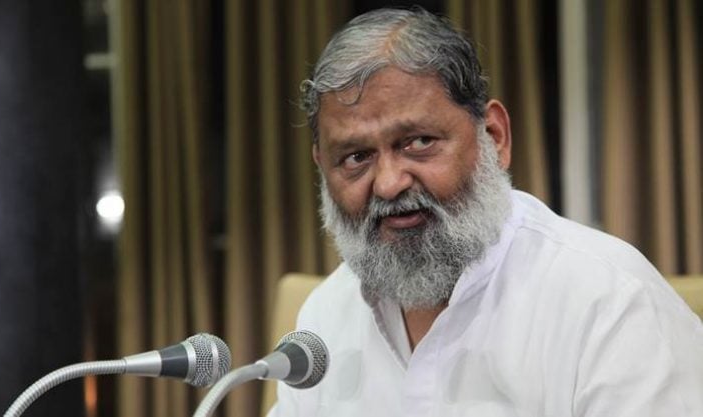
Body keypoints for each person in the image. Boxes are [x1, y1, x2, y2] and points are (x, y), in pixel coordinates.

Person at [268, 7, 703, 417]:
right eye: (356, 157)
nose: (388, 182)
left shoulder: (609, 302)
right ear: (322, 169)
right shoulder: (324, 320)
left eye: (419, 142)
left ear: (494, 137)